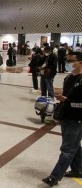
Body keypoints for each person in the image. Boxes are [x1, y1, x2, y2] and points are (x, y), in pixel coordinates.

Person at [42, 52, 82, 187]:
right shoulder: (69, 77)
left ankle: (55, 177)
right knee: (74, 145)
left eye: (71, 61)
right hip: (67, 116)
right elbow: (66, 96)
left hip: (78, 119)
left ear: (80, 62)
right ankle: (78, 170)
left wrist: (68, 101)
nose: (68, 63)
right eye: (67, 60)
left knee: (67, 149)